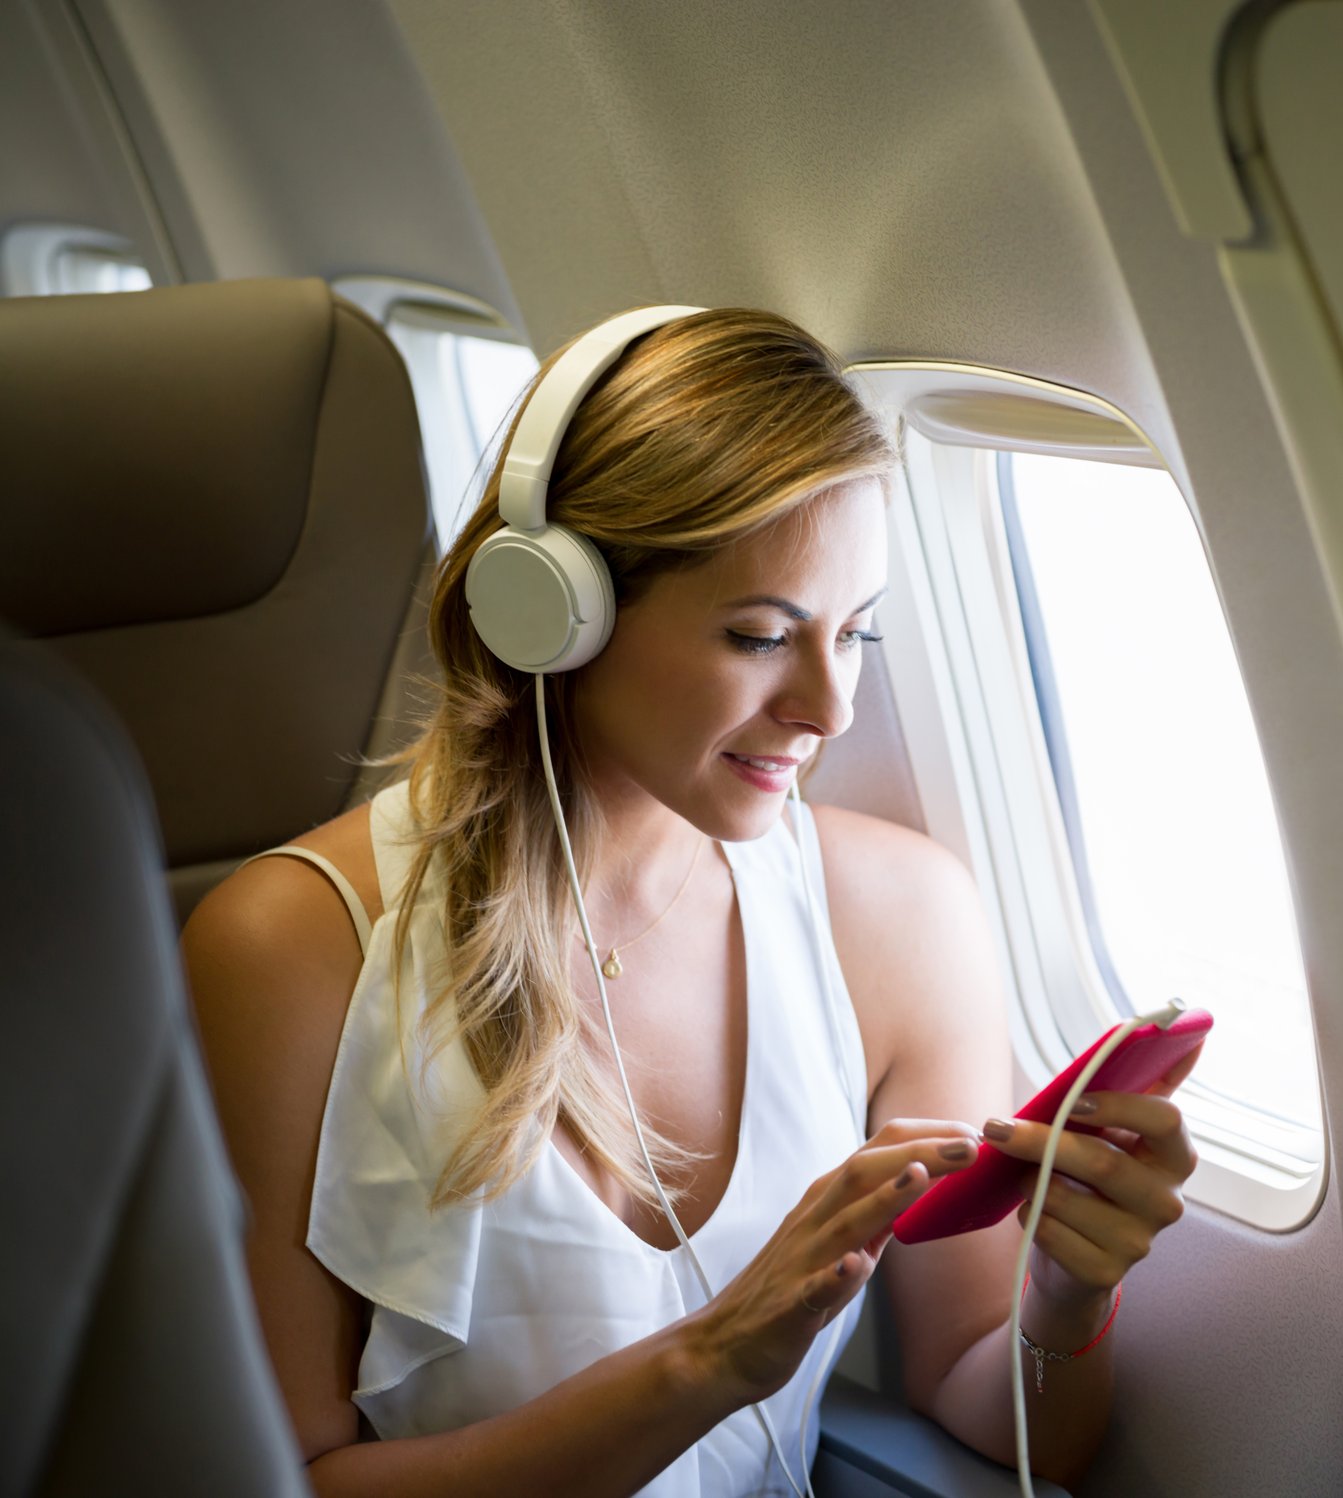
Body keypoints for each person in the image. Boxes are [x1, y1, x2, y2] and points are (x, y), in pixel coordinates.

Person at [181, 306, 1201, 1496]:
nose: (830, 707)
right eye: (763, 636)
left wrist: (1071, 1292)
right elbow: (283, 1481)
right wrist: (711, 1360)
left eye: (856, 632)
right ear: (555, 613)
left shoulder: (899, 920)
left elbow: (1005, 1422)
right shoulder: (290, 949)